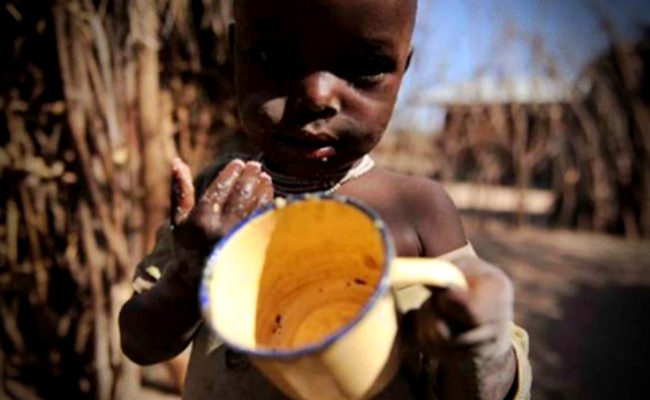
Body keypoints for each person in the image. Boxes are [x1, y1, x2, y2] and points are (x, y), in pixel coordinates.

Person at [119, 0, 532, 398]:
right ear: (234, 53)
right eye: (273, 56)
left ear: (403, 69)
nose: (317, 96)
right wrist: (190, 272)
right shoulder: (217, 199)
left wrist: (482, 345)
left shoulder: (419, 212)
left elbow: (482, 392)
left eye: (366, 67)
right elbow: (140, 342)